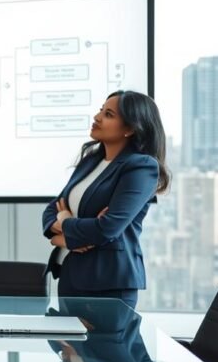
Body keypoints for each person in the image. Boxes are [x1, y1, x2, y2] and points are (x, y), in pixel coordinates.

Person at [42, 90, 170, 310]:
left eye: (108, 114)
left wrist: (65, 226)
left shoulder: (140, 167)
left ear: (130, 128)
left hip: (107, 283)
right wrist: (62, 232)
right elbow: (51, 210)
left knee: (101, 346)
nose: (97, 117)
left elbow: (107, 228)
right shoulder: (90, 160)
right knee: (67, 344)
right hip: (70, 276)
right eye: (101, 110)